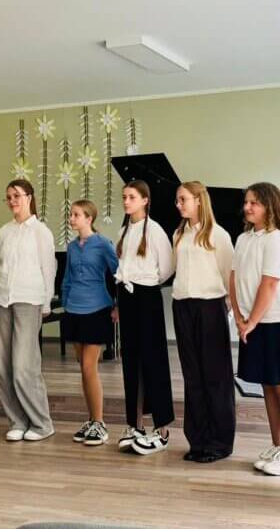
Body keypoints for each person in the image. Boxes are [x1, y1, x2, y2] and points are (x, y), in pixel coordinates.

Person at [229, 182, 280, 477]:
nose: (247, 207)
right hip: (253, 320)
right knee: (267, 385)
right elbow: (233, 278)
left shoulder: (275, 240)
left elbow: (270, 284)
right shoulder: (243, 238)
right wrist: (239, 316)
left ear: (270, 206)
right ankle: (277, 445)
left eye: (255, 203)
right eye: (246, 202)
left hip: (275, 320)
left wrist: (251, 321)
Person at [171, 180, 236, 463]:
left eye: (183, 199)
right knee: (192, 376)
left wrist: (229, 310)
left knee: (215, 377)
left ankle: (219, 443)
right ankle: (197, 440)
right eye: (177, 200)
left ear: (199, 200)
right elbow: (172, 269)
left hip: (210, 307)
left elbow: (229, 275)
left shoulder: (218, 235)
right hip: (182, 306)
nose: (178, 204)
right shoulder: (179, 234)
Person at [114, 179, 176, 456]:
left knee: (154, 361)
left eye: (131, 197)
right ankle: (135, 425)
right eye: (124, 197)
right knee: (131, 361)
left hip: (147, 296)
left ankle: (162, 429)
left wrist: (147, 285)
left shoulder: (156, 230)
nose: (126, 201)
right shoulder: (124, 231)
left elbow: (167, 268)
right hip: (127, 298)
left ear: (145, 200)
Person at [0, 179, 55, 442]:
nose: (12, 201)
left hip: (29, 301)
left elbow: (48, 268)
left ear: (29, 197)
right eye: (8, 197)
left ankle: (41, 423)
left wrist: (47, 302)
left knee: (24, 367)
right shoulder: (3, 232)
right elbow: (2, 264)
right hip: (2, 301)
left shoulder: (41, 232)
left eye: (16, 196)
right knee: (2, 367)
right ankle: (17, 421)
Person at [60, 199, 118, 446]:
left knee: (88, 367)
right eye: (71, 215)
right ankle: (92, 420)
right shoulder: (72, 247)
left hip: (97, 309)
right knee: (82, 370)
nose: (71, 219)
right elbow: (67, 277)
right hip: (73, 309)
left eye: (76, 215)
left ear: (89, 218)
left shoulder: (103, 244)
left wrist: (118, 305)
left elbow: (118, 274)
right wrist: (64, 301)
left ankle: (100, 423)